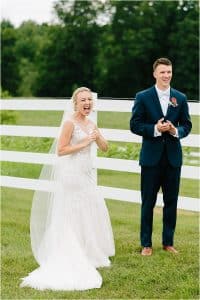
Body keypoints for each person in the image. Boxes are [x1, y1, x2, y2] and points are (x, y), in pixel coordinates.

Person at [20, 87, 115, 290]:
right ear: (75, 103)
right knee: (72, 212)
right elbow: (61, 150)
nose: (87, 103)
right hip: (71, 174)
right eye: (83, 100)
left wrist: (97, 137)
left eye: (90, 99)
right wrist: (84, 142)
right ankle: (72, 251)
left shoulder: (91, 123)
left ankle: (89, 252)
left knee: (88, 211)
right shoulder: (69, 123)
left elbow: (105, 147)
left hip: (87, 175)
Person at [130, 58, 192, 256]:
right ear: (155, 74)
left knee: (171, 201)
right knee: (148, 201)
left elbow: (187, 125)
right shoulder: (143, 96)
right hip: (151, 158)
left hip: (173, 158)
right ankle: (146, 244)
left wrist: (175, 131)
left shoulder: (180, 98)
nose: (166, 75)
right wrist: (155, 129)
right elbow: (135, 125)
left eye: (169, 72)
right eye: (163, 72)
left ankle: (168, 242)